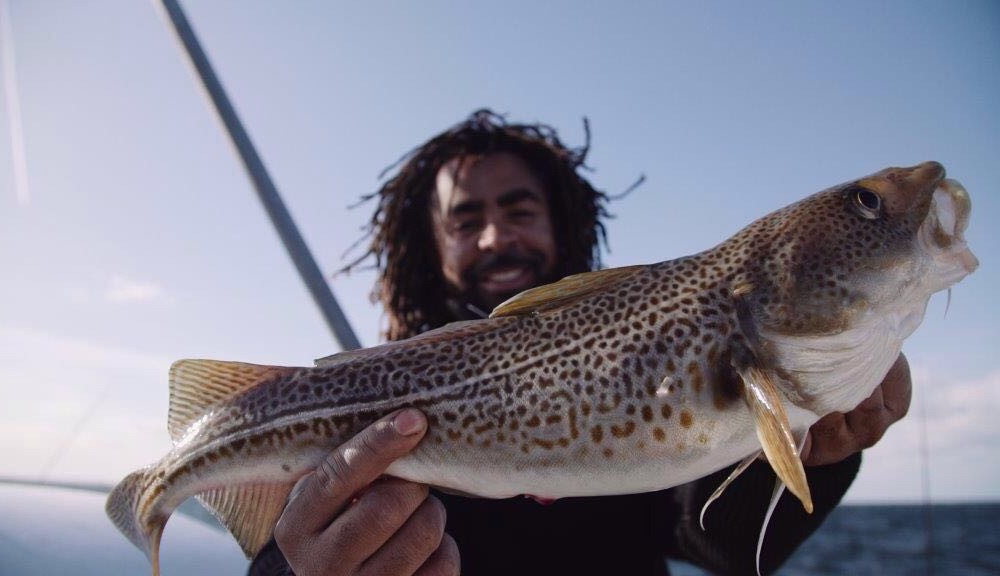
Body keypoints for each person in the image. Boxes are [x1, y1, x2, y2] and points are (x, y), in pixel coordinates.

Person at [250, 110, 912, 576]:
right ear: (429, 245)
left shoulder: (649, 357)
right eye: (466, 219)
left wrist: (811, 455)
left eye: (519, 210)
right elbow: (284, 546)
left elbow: (715, 546)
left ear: (558, 219)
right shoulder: (370, 395)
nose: (494, 237)